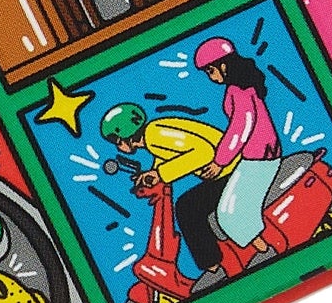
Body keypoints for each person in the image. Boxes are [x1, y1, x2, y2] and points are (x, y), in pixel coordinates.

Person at [98, 99, 234, 283]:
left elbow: (204, 152)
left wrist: (161, 173)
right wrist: (152, 175)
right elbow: (166, 158)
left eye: (116, 141)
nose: (118, 147)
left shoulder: (155, 135)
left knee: (187, 208)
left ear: (123, 137)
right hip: (226, 171)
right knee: (189, 204)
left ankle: (214, 268)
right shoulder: (153, 135)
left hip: (231, 171)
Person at [188, 35, 282, 293]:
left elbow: (241, 127)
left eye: (210, 71)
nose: (210, 77)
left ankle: (266, 251)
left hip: (259, 159)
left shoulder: (238, 91)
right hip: (258, 156)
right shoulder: (242, 88)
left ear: (223, 65)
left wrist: (220, 162)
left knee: (230, 213)